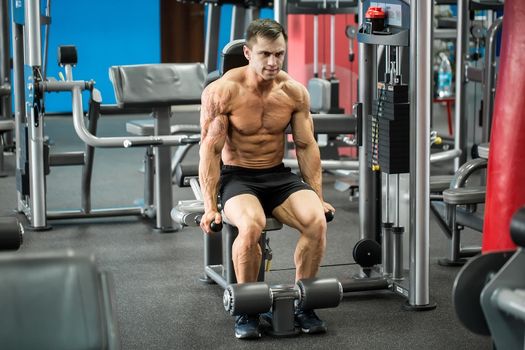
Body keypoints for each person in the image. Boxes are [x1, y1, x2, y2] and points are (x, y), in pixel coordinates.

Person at [198, 18, 335, 340]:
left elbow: (305, 146)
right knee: (251, 226)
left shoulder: (293, 92)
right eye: (265, 54)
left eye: (279, 54)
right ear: (248, 53)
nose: (273, 62)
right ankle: (248, 308)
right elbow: (210, 150)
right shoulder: (222, 92)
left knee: (316, 222)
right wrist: (209, 206)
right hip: (238, 177)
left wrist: (318, 195)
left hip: (277, 176)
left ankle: (305, 303)